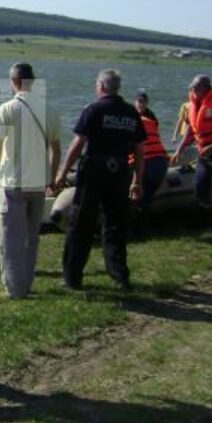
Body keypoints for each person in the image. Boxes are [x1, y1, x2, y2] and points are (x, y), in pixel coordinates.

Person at [55, 69, 145, 290]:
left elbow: (77, 144)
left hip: (94, 169)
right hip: (120, 170)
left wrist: (62, 172)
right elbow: (140, 150)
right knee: (116, 223)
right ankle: (119, 275)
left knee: (80, 224)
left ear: (101, 87)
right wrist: (137, 179)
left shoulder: (94, 110)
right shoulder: (130, 113)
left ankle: (72, 278)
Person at [0, 63, 61, 298]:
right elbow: (56, 150)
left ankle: (14, 288)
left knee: (8, 239)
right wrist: (51, 178)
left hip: (13, 183)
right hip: (38, 184)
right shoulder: (48, 109)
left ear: (13, 82)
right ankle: (25, 284)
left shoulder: (6, 109)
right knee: (30, 238)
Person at [171, 75, 212, 234]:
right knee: (199, 184)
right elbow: (190, 132)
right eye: (191, 88)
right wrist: (179, 150)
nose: (192, 91)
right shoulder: (191, 107)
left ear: (205, 88)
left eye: (195, 88)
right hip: (204, 153)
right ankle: (203, 220)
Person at [132, 90, 169, 212]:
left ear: (147, 103)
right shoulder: (149, 119)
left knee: (140, 191)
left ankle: (137, 214)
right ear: (135, 102)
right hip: (157, 160)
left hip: (148, 161)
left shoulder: (148, 117)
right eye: (139, 102)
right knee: (145, 195)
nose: (141, 104)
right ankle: (140, 213)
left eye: (143, 102)